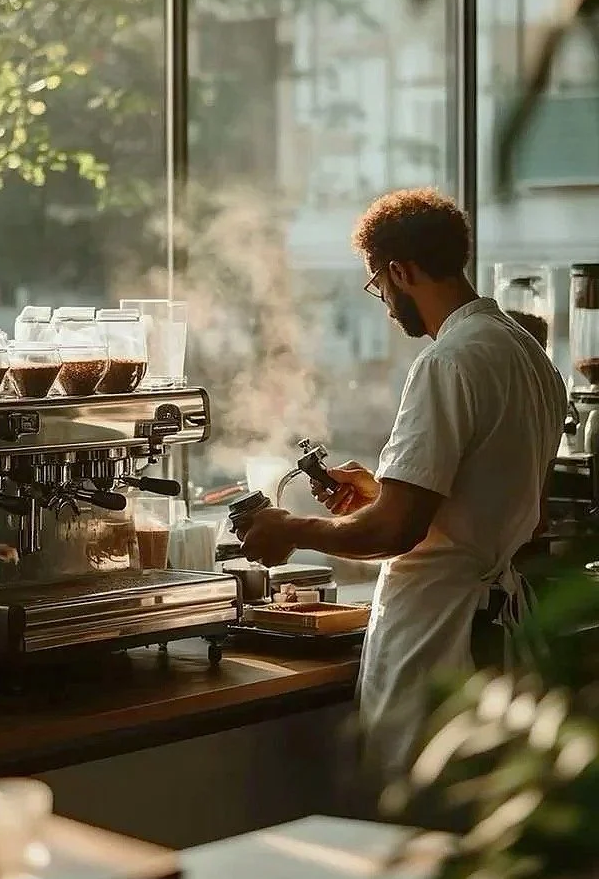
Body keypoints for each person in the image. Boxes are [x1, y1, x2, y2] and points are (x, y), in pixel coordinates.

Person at [240, 187, 567, 792]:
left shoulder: (447, 362)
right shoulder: (530, 356)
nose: (386, 304)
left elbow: (397, 530)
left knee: (421, 827)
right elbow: (524, 512)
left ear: (400, 270)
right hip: (499, 633)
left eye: (379, 285)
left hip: (439, 641)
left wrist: (291, 529)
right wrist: (384, 490)